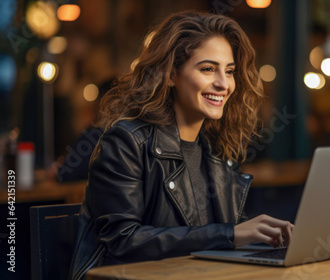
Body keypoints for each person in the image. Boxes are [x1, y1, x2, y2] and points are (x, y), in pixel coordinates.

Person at [69, 11, 294, 280]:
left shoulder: (217, 150)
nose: (223, 83)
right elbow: (123, 242)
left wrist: (265, 235)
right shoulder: (126, 141)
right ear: (170, 75)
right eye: (208, 69)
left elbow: (213, 236)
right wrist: (232, 234)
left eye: (230, 71)